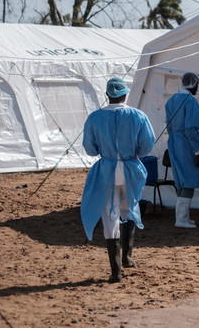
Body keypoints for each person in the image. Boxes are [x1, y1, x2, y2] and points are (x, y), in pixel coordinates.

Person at [80, 76, 154, 283]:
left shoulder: (94, 118)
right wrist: (134, 153)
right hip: (130, 170)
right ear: (125, 94)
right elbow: (147, 145)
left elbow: (90, 149)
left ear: (107, 94)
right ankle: (127, 257)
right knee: (129, 208)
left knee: (109, 217)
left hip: (106, 171)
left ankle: (116, 271)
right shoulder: (138, 116)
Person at [165, 72, 199, 229]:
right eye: (197, 85)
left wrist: (175, 139)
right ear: (192, 84)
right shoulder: (191, 102)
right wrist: (197, 152)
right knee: (188, 180)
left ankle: (184, 217)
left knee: (180, 179)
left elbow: (169, 126)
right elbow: (191, 129)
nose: (197, 88)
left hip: (174, 142)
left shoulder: (171, 100)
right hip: (187, 144)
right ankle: (181, 219)